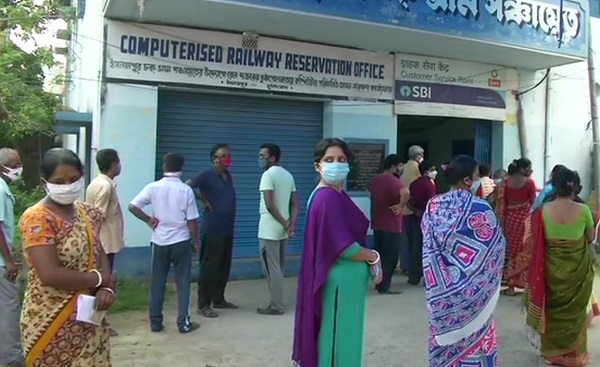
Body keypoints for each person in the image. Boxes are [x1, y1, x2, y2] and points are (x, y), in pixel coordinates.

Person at [19, 148, 116, 367]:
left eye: (73, 179)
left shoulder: (87, 212)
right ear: (45, 182)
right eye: (59, 181)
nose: (67, 186)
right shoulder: (38, 218)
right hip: (50, 319)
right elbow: (49, 274)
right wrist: (99, 280)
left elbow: (99, 252)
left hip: (89, 316)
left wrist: (105, 289)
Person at [292, 138, 382, 367]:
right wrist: (373, 257)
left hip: (345, 282)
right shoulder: (327, 198)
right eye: (329, 160)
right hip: (340, 283)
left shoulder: (329, 194)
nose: (336, 164)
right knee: (340, 341)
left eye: (341, 160)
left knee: (345, 336)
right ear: (317, 165)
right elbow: (345, 247)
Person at [421, 155, 505, 367]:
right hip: (474, 295)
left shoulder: (433, 205)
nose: (478, 180)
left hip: (442, 296)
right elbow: (495, 246)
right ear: (468, 181)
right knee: (477, 339)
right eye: (477, 176)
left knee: (445, 347)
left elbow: (429, 243)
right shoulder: (480, 208)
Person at [524, 168, 595, 366]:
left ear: (554, 185)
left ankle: (551, 353)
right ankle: (574, 355)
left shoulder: (542, 211)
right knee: (576, 311)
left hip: (549, 268)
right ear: (575, 186)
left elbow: (534, 241)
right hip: (577, 270)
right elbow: (589, 238)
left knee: (552, 310)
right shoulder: (583, 211)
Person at [129, 153, 200, 334]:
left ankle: (156, 322)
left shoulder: (153, 187)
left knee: (158, 282)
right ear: (182, 167)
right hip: (181, 241)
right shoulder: (186, 190)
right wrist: (196, 241)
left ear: (164, 166)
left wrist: (149, 220)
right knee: (183, 283)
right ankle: (183, 323)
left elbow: (132, 206)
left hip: (159, 242)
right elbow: (192, 220)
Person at [187, 143, 238, 317]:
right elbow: (188, 186)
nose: (227, 158)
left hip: (227, 226)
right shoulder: (207, 174)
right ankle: (204, 304)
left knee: (224, 264)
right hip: (213, 227)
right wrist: (204, 200)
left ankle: (219, 298)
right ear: (214, 159)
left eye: (228, 155)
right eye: (223, 155)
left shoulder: (227, 175)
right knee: (210, 266)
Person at [86, 149, 125, 337]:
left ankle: (98, 320)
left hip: (106, 241)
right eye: (118, 162)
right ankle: (99, 322)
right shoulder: (104, 186)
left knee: (102, 282)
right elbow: (97, 215)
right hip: (104, 243)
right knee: (104, 283)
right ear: (113, 164)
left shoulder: (101, 183)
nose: (120, 165)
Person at [256, 143, 299, 315]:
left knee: (271, 268)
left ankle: (276, 305)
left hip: (269, 230)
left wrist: (284, 222)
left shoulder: (268, 175)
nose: (260, 159)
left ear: (272, 158)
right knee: (278, 268)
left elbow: (269, 205)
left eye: (262, 155)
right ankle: (277, 303)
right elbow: (296, 203)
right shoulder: (288, 175)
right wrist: (290, 223)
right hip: (282, 231)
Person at [495, 158, 536, 296]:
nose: (531, 170)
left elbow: (501, 205)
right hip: (525, 221)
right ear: (523, 169)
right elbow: (533, 203)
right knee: (527, 250)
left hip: (511, 221)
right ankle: (526, 285)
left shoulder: (505, 183)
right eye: (529, 167)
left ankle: (511, 286)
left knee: (512, 251)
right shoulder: (529, 183)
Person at [369, 154, 408, 294]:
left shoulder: (375, 180)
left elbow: (370, 194)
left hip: (378, 224)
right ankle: (385, 286)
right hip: (392, 225)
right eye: (400, 165)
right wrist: (400, 205)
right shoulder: (394, 180)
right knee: (390, 258)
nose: (401, 168)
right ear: (393, 166)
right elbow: (405, 192)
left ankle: (379, 283)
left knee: (379, 257)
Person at [0, 148, 25, 367]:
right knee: (9, 307)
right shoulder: (0, 189)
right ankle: (12, 358)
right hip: (1, 263)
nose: (19, 169)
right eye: (15, 165)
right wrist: (9, 260)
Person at [406, 160, 438, 286]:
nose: (435, 172)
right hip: (428, 220)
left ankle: (413, 277)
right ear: (426, 171)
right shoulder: (429, 184)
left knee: (415, 248)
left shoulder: (414, 184)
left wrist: (416, 211)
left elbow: (409, 201)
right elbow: (432, 202)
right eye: (433, 169)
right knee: (428, 250)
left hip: (416, 217)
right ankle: (428, 278)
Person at [399, 145, 425, 275]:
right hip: (414, 210)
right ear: (418, 156)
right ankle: (413, 268)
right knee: (415, 242)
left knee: (404, 241)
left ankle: (404, 266)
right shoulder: (418, 170)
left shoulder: (402, 168)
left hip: (402, 208)